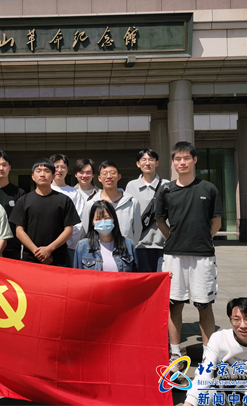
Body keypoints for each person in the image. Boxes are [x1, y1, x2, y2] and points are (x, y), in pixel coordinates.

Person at [155, 141, 223, 368]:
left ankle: (209, 356)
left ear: (194, 160)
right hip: (174, 256)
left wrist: (202, 238)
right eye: (177, 159)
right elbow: (160, 220)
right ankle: (175, 355)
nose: (182, 162)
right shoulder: (166, 190)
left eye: (186, 158)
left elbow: (216, 222)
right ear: (173, 162)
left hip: (203, 256)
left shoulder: (208, 189)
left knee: (204, 305)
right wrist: (174, 238)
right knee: (174, 305)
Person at [184, 298, 247, 406]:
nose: (242, 325)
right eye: (236, 319)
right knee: (205, 396)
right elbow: (204, 374)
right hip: (223, 393)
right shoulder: (218, 339)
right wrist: (189, 402)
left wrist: (236, 385)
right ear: (230, 320)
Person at [9, 159, 81, 267]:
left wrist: (49, 249)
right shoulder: (23, 201)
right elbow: (19, 231)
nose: (42, 174)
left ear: (53, 176)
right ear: (33, 176)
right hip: (30, 259)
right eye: (38, 171)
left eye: (47, 171)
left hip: (58, 259)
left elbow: (68, 230)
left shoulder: (64, 200)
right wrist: (37, 252)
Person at [125, 149, 170, 272]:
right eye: (144, 160)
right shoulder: (131, 186)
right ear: (138, 164)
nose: (147, 163)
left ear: (157, 163)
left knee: (162, 280)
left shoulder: (166, 185)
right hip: (139, 245)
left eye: (151, 159)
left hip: (163, 245)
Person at [82, 161, 142, 244]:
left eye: (113, 173)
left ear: (119, 176)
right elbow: (87, 229)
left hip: (125, 249)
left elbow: (137, 230)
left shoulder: (132, 202)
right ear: (99, 178)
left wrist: (128, 247)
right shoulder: (90, 204)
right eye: (105, 173)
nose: (109, 176)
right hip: (99, 249)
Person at [73, 200, 138, 272]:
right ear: (92, 222)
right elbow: (78, 275)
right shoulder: (83, 246)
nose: (103, 222)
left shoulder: (128, 245)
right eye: (98, 219)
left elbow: (135, 275)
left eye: (107, 218)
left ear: (114, 219)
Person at [0, 150, 26, 260]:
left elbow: (21, 221)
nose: (1, 168)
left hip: (12, 247)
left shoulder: (19, 193)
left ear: (9, 168)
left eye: (4, 165)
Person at [50, 154, 85, 267]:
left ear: (67, 170)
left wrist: (65, 242)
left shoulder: (75, 193)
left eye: (63, 167)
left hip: (69, 247)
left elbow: (79, 222)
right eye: (56, 167)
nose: (59, 170)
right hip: (46, 247)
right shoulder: (44, 191)